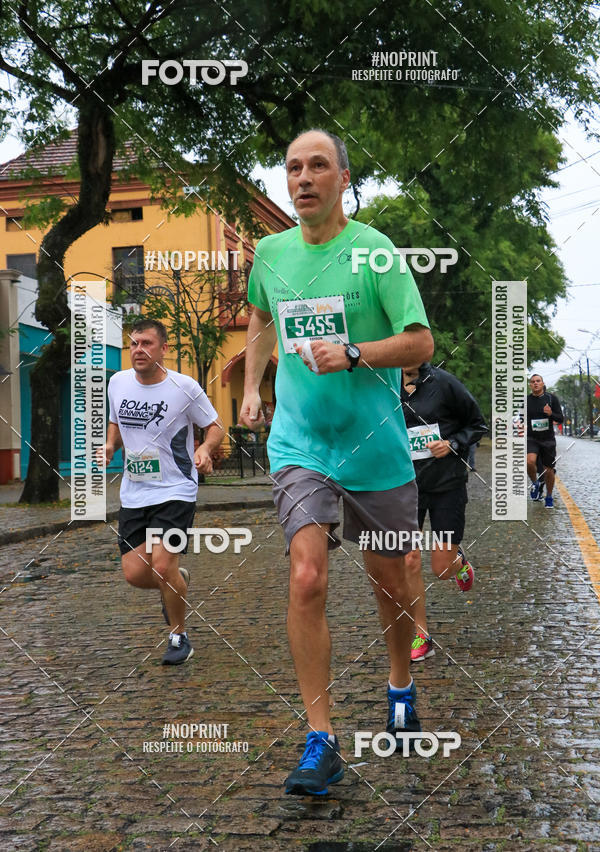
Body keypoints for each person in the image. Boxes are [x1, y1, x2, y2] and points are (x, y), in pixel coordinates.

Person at [239, 129, 433, 796]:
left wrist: (354, 353)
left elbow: (420, 342)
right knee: (306, 577)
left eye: (318, 166)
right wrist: (248, 391)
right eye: (293, 168)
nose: (303, 178)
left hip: (375, 448)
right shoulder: (269, 253)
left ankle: (400, 681)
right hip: (300, 445)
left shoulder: (375, 253)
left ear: (343, 178)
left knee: (393, 580)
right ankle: (321, 739)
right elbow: (259, 322)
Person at [97, 318, 224, 664]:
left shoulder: (184, 388)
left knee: (163, 563)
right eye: (134, 343)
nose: (138, 350)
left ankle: (179, 636)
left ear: (163, 349)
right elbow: (116, 422)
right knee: (136, 574)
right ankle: (175, 583)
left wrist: (204, 449)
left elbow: (215, 426)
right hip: (134, 491)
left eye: (146, 343)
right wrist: (110, 445)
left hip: (175, 489)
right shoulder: (118, 382)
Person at [401, 363, 487, 662]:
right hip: (403, 485)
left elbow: (477, 424)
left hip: (446, 483)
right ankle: (420, 633)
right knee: (408, 558)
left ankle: (458, 562)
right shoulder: (383, 385)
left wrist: (452, 444)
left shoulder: (445, 383)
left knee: (441, 568)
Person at [527, 374, 563, 508]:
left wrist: (550, 414)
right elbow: (519, 418)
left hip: (548, 439)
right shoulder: (526, 401)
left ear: (542, 383)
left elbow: (560, 419)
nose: (535, 383)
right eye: (533, 382)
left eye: (538, 381)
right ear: (530, 385)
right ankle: (535, 483)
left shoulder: (551, 399)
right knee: (529, 461)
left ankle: (548, 496)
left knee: (549, 470)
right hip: (532, 438)